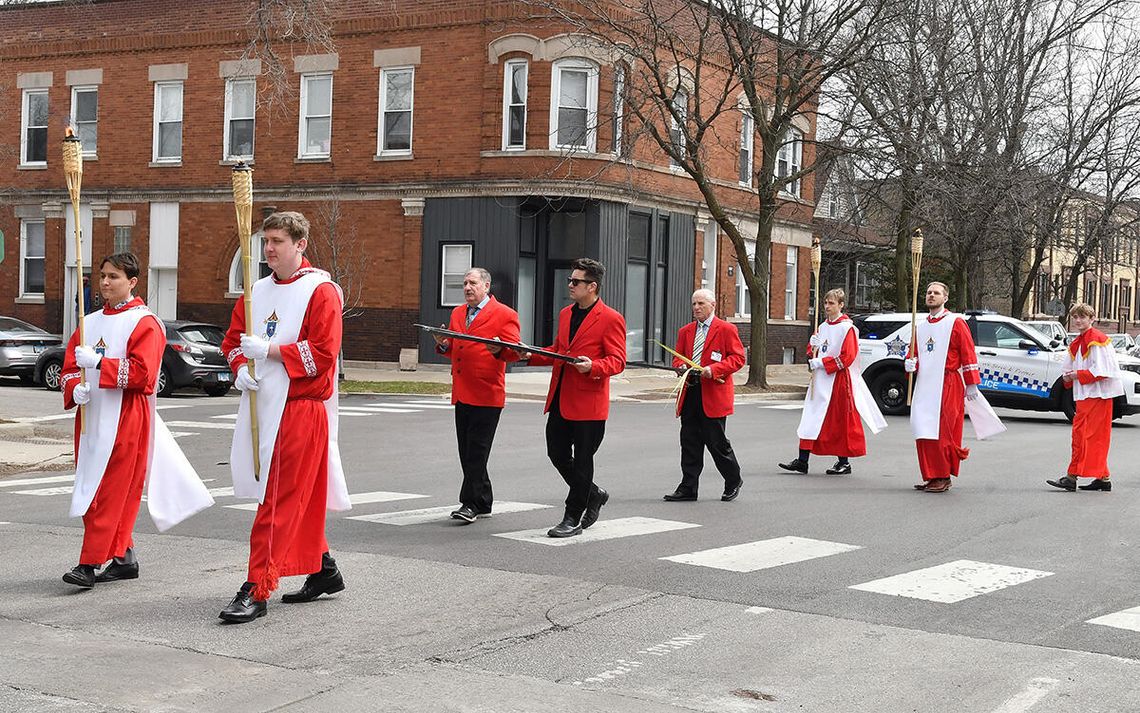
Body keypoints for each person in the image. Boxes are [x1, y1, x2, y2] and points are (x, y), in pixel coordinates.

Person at [218, 211, 351, 624]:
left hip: (300, 408)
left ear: (300, 244)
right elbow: (232, 340)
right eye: (266, 242)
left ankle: (256, 586)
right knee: (293, 498)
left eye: (277, 241)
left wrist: (271, 351)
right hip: (263, 405)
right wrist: (239, 366)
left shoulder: (321, 291)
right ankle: (323, 568)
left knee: (275, 499)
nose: (269, 249)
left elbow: (323, 354)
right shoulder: (255, 290)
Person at [60, 252, 212, 588]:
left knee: (111, 492)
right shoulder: (89, 322)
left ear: (132, 282)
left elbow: (145, 374)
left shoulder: (145, 322)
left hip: (127, 415)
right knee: (90, 486)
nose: (105, 282)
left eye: (113, 277)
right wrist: (74, 387)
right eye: (102, 275)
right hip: (92, 416)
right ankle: (124, 558)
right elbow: (69, 368)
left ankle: (89, 563)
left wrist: (101, 364)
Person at [524, 258, 626, 538]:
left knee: (582, 461)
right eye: (570, 280)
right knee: (556, 453)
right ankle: (593, 493)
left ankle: (572, 517)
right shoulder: (566, 313)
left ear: (592, 286)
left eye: (576, 281)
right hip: (561, 397)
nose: (569, 284)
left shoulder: (611, 318)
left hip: (588, 403)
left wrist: (593, 366)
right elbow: (559, 350)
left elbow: (617, 361)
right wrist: (530, 354)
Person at [432, 268, 522, 523]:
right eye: (464, 284)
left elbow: (514, 352)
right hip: (462, 391)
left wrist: (498, 350)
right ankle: (483, 500)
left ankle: (469, 503)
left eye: (472, 283)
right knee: (466, 450)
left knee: (477, 452)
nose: (467, 288)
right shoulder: (458, 313)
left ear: (486, 286)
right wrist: (443, 344)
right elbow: (456, 349)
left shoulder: (505, 314)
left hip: (486, 393)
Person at [779, 288, 886, 476]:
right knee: (811, 417)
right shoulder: (822, 327)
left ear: (841, 305)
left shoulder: (847, 328)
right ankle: (802, 460)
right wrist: (812, 348)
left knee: (838, 421)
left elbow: (847, 357)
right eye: (826, 303)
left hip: (838, 380)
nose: (827, 306)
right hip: (819, 379)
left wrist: (822, 362)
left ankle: (843, 462)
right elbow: (815, 351)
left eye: (831, 303)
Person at [663, 289, 746, 502]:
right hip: (691, 391)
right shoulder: (685, 331)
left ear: (713, 305)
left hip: (713, 393)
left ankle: (733, 479)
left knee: (716, 442)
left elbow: (738, 358)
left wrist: (714, 370)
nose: (696, 308)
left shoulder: (726, 329)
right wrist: (680, 366)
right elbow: (678, 357)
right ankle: (688, 487)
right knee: (689, 442)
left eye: (701, 303)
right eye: (694, 304)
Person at [905, 282, 982, 493]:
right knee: (923, 429)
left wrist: (971, 383)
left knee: (942, 431)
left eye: (936, 293)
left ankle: (943, 475)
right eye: (929, 292)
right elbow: (914, 353)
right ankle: (931, 475)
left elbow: (967, 352)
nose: (931, 295)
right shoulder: (920, 327)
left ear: (945, 298)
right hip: (924, 384)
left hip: (947, 382)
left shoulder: (955, 322)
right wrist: (910, 364)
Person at [1047, 303, 1123, 492]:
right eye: (1075, 317)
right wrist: (1068, 376)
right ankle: (1103, 478)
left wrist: (1075, 375)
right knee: (1091, 436)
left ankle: (1072, 477)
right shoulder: (1079, 342)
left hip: (1097, 395)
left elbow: (1102, 370)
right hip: (1087, 395)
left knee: (1084, 435)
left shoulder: (1097, 340)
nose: (1078, 320)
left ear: (1092, 319)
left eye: (1082, 317)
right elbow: (1071, 366)